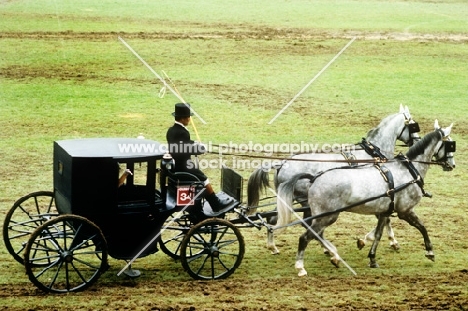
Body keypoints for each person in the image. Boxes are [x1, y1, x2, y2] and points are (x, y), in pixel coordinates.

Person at [166, 103, 233, 211]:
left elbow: (182, 144)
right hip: (184, 166)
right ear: (183, 119)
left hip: (177, 165)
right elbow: (183, 150)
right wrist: (199, 149)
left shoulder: (171, 130)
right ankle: (216, 205)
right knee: (205, 180)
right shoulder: (182, 132)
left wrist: (195, 143)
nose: (189, 119)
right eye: (188, 117)